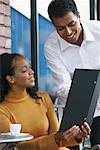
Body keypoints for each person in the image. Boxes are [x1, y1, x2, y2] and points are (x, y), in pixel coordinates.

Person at [0, 53, 90, 150]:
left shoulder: (43, 98)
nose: (32, 72)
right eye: (24, 70)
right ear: (10, 78)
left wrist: (76, 136)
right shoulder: (3, 110)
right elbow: (17, 147)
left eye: (29, 68)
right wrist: (53, 139)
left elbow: (58, 137)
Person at [44, 0, 100, 147]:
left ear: (79, 16)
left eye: (71, 24)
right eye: (60, 28)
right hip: (77, 108)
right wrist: (82, 117)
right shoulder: (51, 46)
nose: (68, 32)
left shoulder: (98, 30)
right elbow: (64, 87)